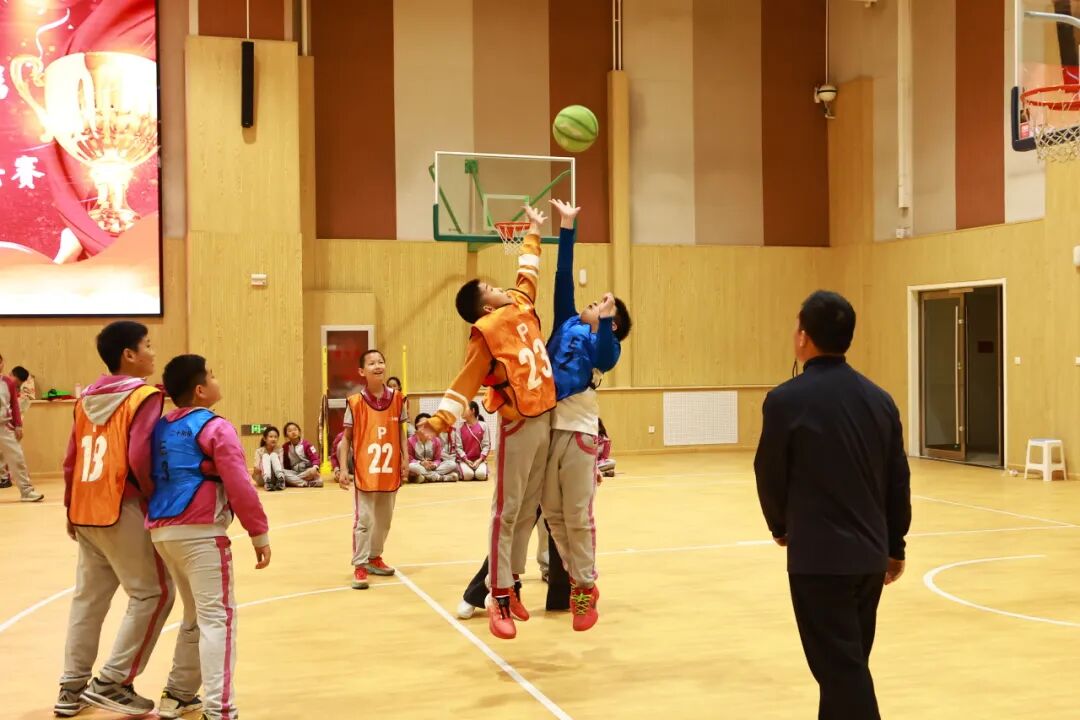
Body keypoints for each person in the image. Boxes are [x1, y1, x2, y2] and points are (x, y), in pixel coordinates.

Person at [754, 290, 912, 720]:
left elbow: (769, 472)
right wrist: (894, 546)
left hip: (819, 561)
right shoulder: (880, 400)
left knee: (841, 671)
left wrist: (779, 526)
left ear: (804, 337)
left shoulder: (785, 400)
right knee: (845, 667)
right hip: (869, 560)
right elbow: (898, 480)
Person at [417, 203, 557, 640]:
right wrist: (441, 419)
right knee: (506, 512)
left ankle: (512, 584)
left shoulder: (519, 304)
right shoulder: (486, 332)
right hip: (516, 424)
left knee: (529, 509)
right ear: (483, 305)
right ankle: (496, 596)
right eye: (491, 288)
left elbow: (528, 274)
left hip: (543, 417)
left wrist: (533, 231)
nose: (501, 288)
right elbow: (466, 381)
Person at [55, 321, 172, 717]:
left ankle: (71, 687)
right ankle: (113, 682)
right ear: (129, 354)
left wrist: (70, 506)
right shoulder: (143, 396)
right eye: (148, 345)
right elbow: (138, 454)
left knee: (88, 600)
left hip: (85, 507)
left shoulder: (85, 397)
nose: (153, 352)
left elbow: (71, 459)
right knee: (154, 593)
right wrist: (155, 498)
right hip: (121, 505)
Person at [148, 355, 271, 720]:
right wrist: (258, 532)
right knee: (219, 619)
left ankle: (178, 695)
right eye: (213, 375)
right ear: (200, 390)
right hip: (201, 533)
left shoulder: (160, 427)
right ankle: (220, 710)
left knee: (196, 616)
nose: (218, 380)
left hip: (162, 532)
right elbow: (239, 483)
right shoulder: (215, 426)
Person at [540, 198, 631, 631]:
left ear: (609, 322)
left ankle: (584, 585)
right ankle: (580, 579)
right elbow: (563, 276)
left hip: (578, 430)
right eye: (596, 303)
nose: (592, 304)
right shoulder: (565, 322)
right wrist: (567, 227)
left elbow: (609, 355)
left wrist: (606, 322)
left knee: (577, 514)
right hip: (544, 428)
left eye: (601, 306)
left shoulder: (601, 347)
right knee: (552, 514)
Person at [338, 349, 407, 590]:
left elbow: (401, 433)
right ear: (361, 371)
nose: (377, 366)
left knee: (384, 520)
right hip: (365, 470)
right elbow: (346, 438)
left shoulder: (398, 399)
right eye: (371, 363)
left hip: (390, 469)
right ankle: (360, 564)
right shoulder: (355, 402)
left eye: (380, 361)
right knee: (364, 519)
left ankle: (374, 556)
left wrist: (405, 459)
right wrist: (343, 468)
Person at [0, 354, 43, 501]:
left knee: (17, 458)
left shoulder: (8, 383)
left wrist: (18, 425)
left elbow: (14, 405)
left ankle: (27, 491)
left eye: (0, 362)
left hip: (4, 427)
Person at [407, 413, 457, 483]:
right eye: (422, 424)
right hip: (419, 466)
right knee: (411, 466)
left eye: (427, 425)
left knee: (452, 464)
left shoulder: (436, 440)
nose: (424, 427)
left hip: (432, 468)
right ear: (416, 426)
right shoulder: (410, 441)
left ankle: (426, 477)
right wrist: (421, 463)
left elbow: (438, 459)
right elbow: (410, 459)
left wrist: (434, 465)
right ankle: (442, 478)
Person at [454, 401, 490, 481]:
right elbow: (458, 447)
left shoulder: (484, 425)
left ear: (473, 410)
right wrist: (466, 460)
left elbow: (486, 445)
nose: (462, 411)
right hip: (464, 460)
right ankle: (462, 468)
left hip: (479, 460)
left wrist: (479, 460)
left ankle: (482, 468)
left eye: (464, 409)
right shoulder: (459, 427)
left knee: (481, 475)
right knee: (468, 476)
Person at [281, 421, 323, 487]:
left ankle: (293, 481)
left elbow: (315, 458)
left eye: (295, 429)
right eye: (290, 431)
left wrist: (315, 468)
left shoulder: (307, 444)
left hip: (307, 471)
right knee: (282, 473)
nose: (293, 432)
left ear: (299, 432)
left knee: (312, 471)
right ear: (286, 435)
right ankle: (307, 483)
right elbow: (286, 465)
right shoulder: (285, 447)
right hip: (294, 472)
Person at [251, 426, 286, 491]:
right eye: (271, 437)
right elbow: (256, 469)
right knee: (265, 456)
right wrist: (263, 466)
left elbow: (281, 466)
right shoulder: (259, 451)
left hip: (276, 477)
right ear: (265, 439)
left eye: (275, 437)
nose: (273, 439)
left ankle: (281, 480)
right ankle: (267, 481)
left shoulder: (280, 450)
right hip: (262, 478)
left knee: (273, 455)